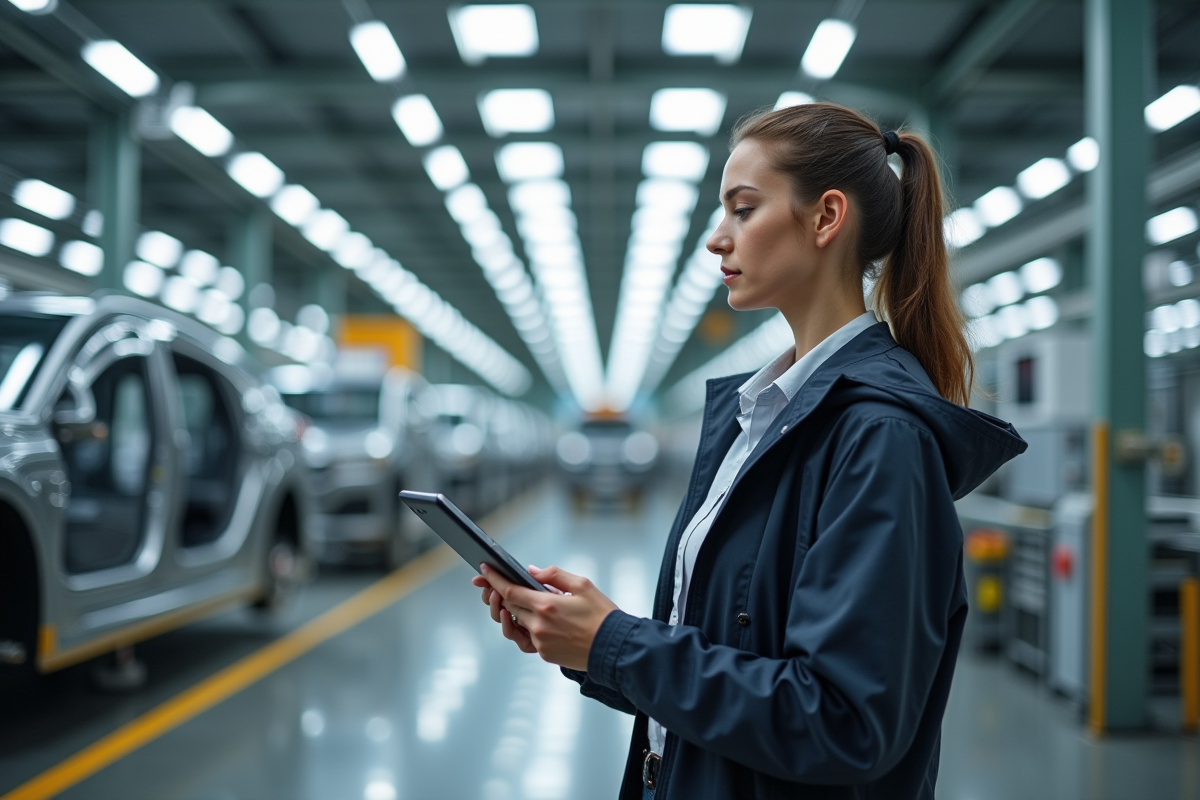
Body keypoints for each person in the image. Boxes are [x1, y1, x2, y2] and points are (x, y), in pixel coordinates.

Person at [474, 102, 1026, 800]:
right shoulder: (756, 421)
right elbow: (734, 663)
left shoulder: (881, 439)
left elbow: (843, 720)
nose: (717, 239)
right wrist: (590, 643)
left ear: (826, 218)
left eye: (742, 209)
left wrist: (617, 644)